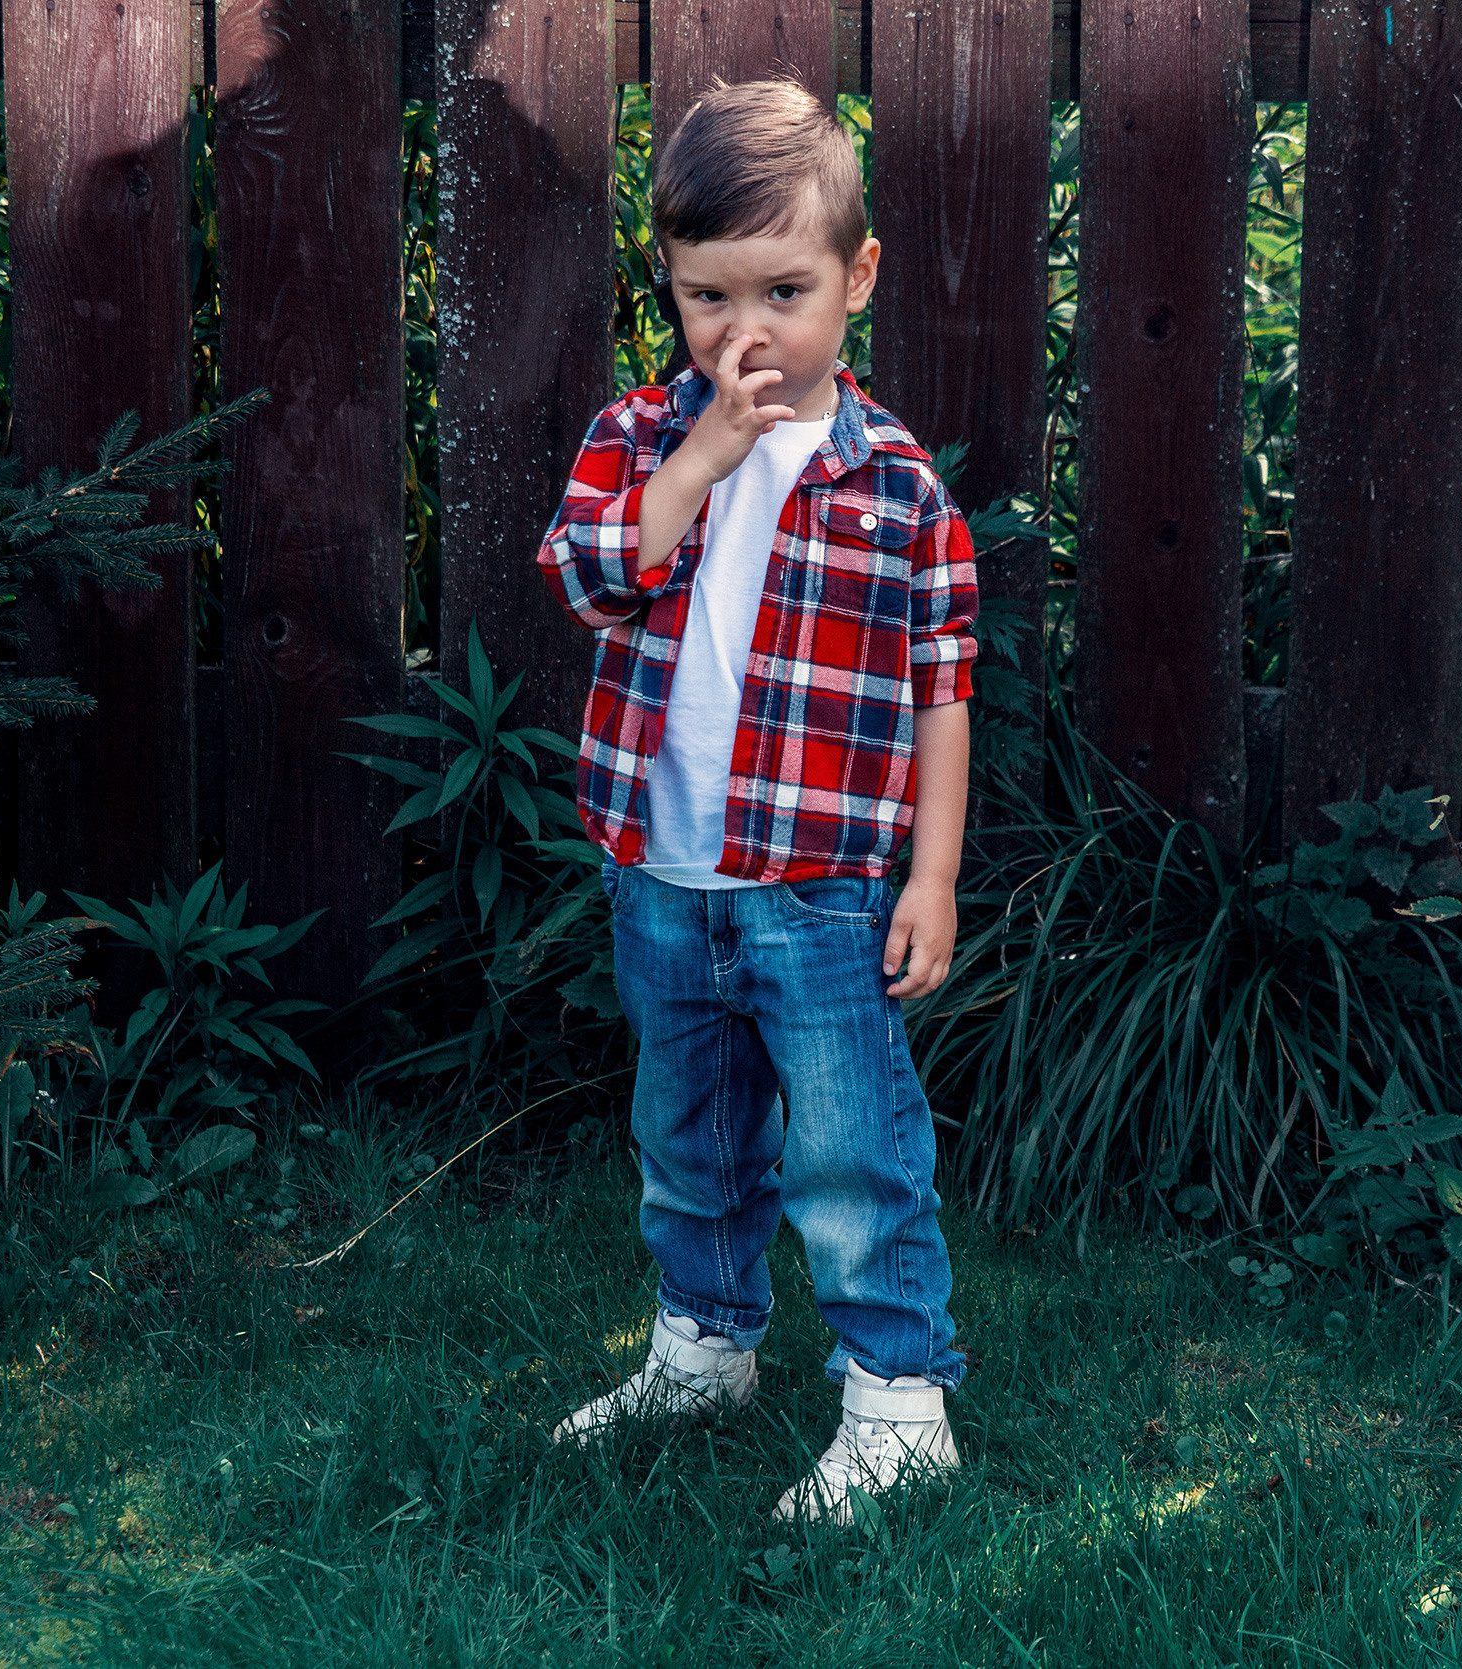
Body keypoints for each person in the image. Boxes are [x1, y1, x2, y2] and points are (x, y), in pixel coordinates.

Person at [532, 75, 978, 1525]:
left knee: (851, 1144)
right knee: (689, 1132)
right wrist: (701, 456)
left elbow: (942, 688)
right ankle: (704, 1343)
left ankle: (900, 1402)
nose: (744, 331)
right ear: (670, 291)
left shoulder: (895, 487)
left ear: (856, 278)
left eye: (782, 290)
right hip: (662, 875)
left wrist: (934, 877)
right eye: (707, 296)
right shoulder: (643, 433)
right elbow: (594, 581)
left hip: (824, 890)